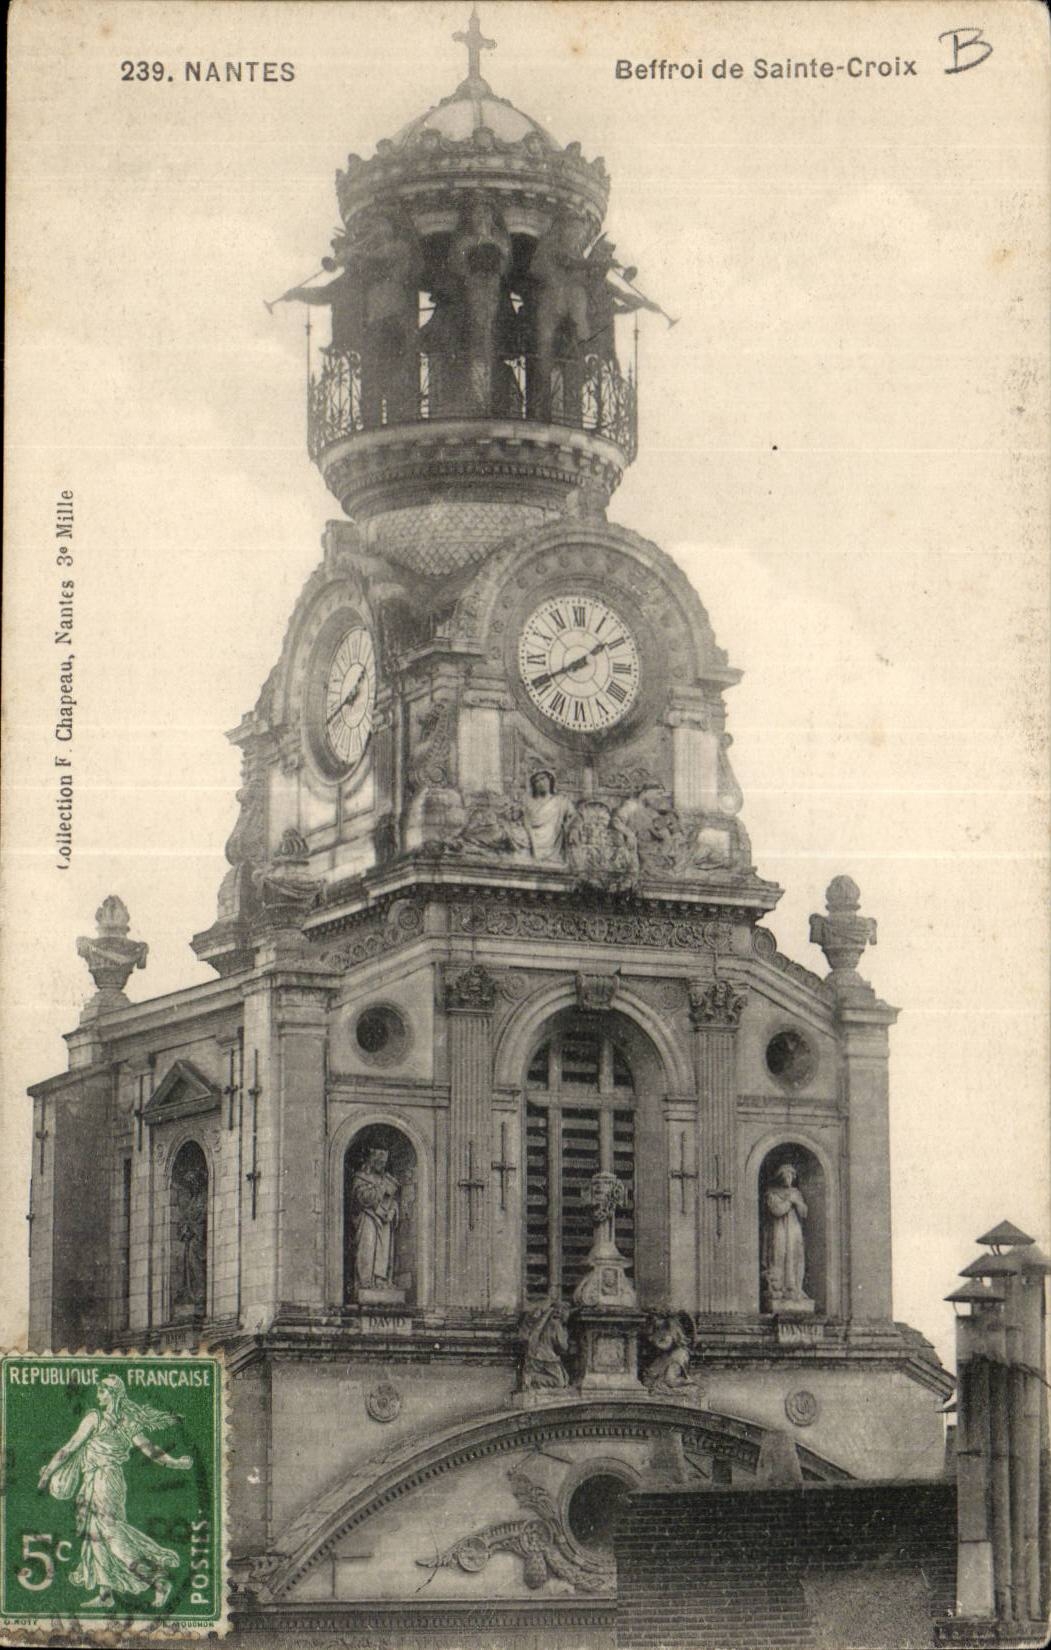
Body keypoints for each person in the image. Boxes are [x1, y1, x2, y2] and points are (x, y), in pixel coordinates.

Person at [37, 1374, 191, 1609]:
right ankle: (105, 1593)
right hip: (99, 1480)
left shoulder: (95, 1418)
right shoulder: (126, 1421)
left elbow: (69, 1448)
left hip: (104, 1481)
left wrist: (47, 1474)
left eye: (102, 1391)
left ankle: (158, 1581)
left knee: (109, 1533)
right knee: (93, 1535)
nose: (98, 1395)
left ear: (113, 1393)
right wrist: (176, 1463)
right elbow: (152, 1451)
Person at [350, 1147, 400, 1291]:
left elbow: (394, 1201)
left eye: (384, 1162)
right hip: (368, 1218)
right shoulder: (361, 1177)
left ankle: (380, 1280)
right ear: (371, 1160)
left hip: (384, 1221)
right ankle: (365, 1282)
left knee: (384, 1251)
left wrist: (392, 1211)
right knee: (367, 1247)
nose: (382, 1165)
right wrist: (381, 1189)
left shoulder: (387, 1179)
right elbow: (360, 1198)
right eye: (379, 1161)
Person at [762, 1163, 810, 1305]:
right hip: (779, 1228)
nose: (789, 1179)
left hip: (794, 1229)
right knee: (779, 1255)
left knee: (795, 1255)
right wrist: (790, 1201)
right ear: (780, 1177)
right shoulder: (772, 1192)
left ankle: (795, 1288)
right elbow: (777, 1210)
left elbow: (804, 1212)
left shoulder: (796, 1193)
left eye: (791, 1176)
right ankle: (779, 1288)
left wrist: (798, 1203)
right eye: (786, 1176)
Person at [522, 770, 575, 863]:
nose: (540, 783)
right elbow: (525, 820)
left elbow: (573, 816)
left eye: (543, 779)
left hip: (553, 835)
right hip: (532, 834)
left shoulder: (561, 800)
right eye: (536, 781)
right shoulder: (528, 802)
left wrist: (571, 827)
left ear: (550, 781)